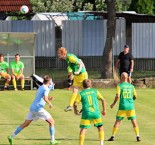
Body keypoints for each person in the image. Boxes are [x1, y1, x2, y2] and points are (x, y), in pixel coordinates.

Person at [8, 75, 61, 145]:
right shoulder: (46, 89)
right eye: (50, 81)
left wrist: (48, 99)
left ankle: (11, 136)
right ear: (48, 82)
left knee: (25, 124)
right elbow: (45, 98)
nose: (51, 82)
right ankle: (52, 140)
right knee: (52, 122)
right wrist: (49, 103)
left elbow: (41, 97)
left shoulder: (41, 87)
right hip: (38, 109)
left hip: (33, 108)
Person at [108, 72, 141, 142]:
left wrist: (113, 104)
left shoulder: (120, 86)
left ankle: (112, 136)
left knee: (117, 121)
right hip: (130, 106)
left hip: (122, 106)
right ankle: (138, 136)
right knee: (134, 121)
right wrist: (131, 100)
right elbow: (135, 96)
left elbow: (117, 96)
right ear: (127, 77)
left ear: (121, 77)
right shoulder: (131, 86)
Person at [74, 79, 106, 145]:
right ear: (91, 85)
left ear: (82, 86)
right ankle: (101, 143)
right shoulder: (95, 91)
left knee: (83, 130)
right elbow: (103, 100)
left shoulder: (81, 93)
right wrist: (104, 110)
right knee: (100, 128)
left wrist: (75, 110)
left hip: (86, 114)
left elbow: (75, 104)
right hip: (96, 113)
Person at [58, 47, 88, 112]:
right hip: (77, 76)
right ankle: (70, 106)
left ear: (63, 53)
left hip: (82, 75)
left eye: (59, 53)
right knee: (75, 90)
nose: (58, 55)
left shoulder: (70, 57)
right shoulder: (67, 58)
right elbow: (79, 60)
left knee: (84, 92)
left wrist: (78, 71)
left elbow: (80, 63)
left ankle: (85, 107)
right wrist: (72, 74)